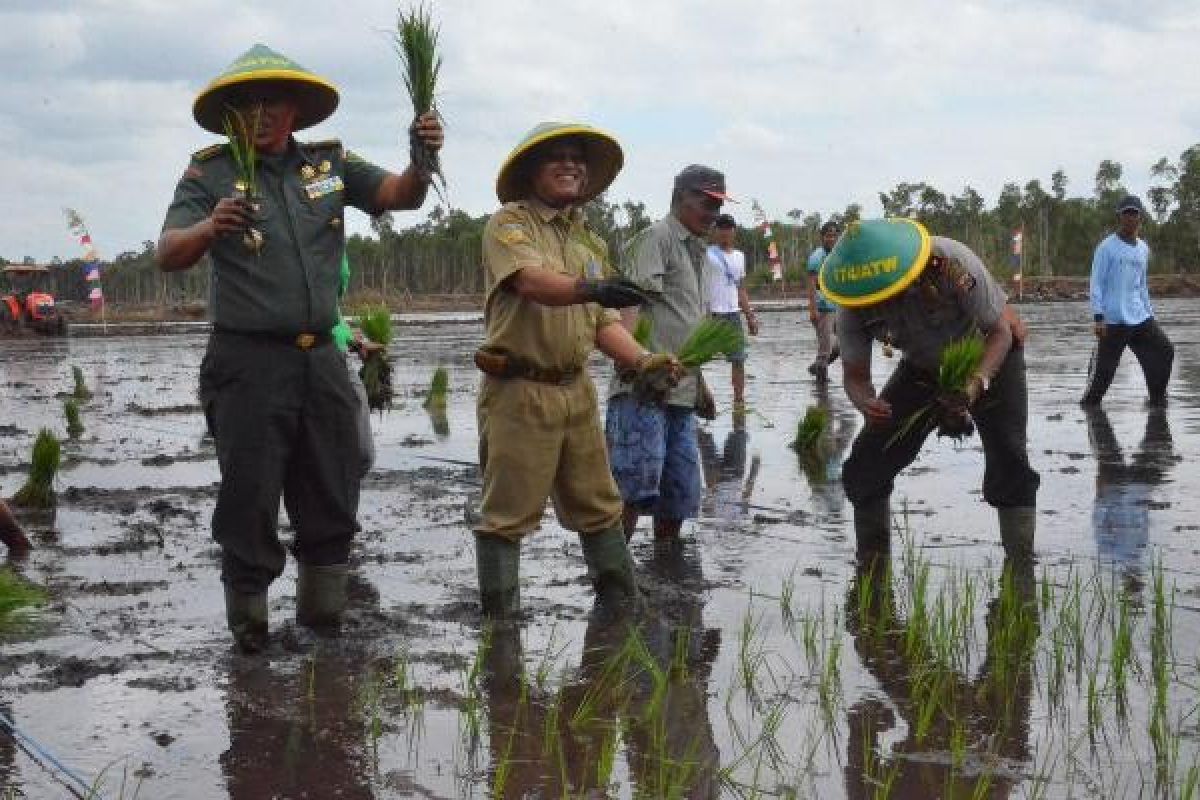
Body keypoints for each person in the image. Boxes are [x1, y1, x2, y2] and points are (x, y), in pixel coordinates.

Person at [156, 43, 443, 653]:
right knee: (249, 498)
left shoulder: (329, 164)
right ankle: (251, 641)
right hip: (248, 363)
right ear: (230, 114)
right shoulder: (208, 173)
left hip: (322, 361)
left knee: (333, 490)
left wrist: (423, 156)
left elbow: (401, 194)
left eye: (274, 101)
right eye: (247, 103)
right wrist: (212, 226)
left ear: (296, 108)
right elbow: (167, 254)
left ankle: (324, 629)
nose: (262, 113)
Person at [472, 121, 679, 618]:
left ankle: (620, 605)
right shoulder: (509, 225)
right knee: (506, 516)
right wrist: (593, 288)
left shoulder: (586, 241)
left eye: (577, 158)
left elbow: (603, 322)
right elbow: (532, 283)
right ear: (531, 171)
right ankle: (500, 624)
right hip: (521, 390)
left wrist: (644, 361)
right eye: (556, 157)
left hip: (576, 391)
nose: (570, 165)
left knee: (600, 505)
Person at [820, 218, 1039, 562]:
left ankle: (1021, 568)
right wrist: (865, 402)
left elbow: (1001, 333)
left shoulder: (949, 263)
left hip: (987, 357)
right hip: (923, 367)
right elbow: (856, 376)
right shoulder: (852, 305)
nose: (885, 301)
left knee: (1009, 457)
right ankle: (872, 568)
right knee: (867, 460)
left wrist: (974, 385)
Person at [608, 165, 732, 541]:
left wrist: (701, 387)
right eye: (705, 203)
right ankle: (614, 579)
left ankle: (667, 573)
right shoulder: (655, 240)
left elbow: (688, 328)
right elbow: (629, 303)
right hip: (643, 391)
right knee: (632, 488)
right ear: (681, 197)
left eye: (717, 205)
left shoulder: (700, 252)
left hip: (680, 392)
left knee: (678, 493)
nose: (712, 214)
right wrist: (631, 362)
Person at [1081, 194, 1174, 408]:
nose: (1131, 218)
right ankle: (1088, 410)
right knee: (1101, 379)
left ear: (1140, 217)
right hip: (1113, 321)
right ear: (1120, 217)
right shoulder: (1106, 248)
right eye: (1126, 213)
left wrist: (1151, 315)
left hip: (1140, 318)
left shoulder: (1143, 249)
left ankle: (1157, 399)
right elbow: (1096, 283)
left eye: (1134, 213)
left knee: (1164, 351)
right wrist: (1098, 317)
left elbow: (1141, 285)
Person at [706, 214, 759, 406]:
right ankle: (697, 397)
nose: (725, 232)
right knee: (696, 357)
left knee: (738, 359)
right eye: (721, 228)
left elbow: (741, 288)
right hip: (711, 314)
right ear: (715, 231)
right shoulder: (707, 255)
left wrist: (750, 316)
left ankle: (738, 400)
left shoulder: (739, 256)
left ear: (734, 231)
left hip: (733, 314)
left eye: (728, 228)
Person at [805, 221, 841, 382]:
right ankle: (822, 387)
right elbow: (811, 285)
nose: (831, 239)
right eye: (828, 236)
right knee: (825, 348)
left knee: (841, 346)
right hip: (823, 308)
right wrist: (813, 310)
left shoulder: (840, 255)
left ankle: (816, 367)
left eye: (834, 235)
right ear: (822, 237)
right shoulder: (816, 257)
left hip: (839, 306)